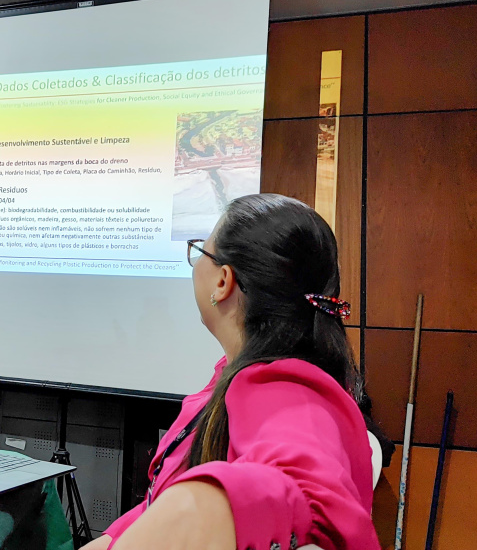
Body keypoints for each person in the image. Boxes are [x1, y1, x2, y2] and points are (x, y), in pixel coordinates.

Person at [84, 194, 380, 550]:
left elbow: (306, 495)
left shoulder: (285, 391)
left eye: (200, 252)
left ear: (223, 281)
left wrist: (203, 507)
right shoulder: (240, 374)